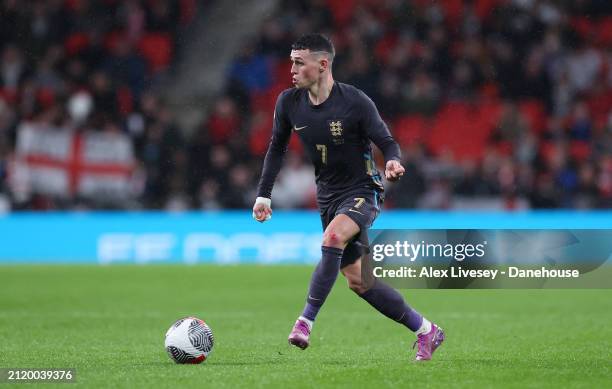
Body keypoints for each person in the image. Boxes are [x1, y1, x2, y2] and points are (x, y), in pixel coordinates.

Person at [252, 34, 444, 361]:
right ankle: (426, 330)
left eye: (299, 62)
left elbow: (387, 141)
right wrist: (264, 196)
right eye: (292, 61)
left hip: (362, 190)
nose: (292, 69)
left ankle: (305, 322)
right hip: (328, 196)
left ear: (322, 64)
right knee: (359, 281)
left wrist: (394, 161)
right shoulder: (288, 103)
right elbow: (276, 148)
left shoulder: (354, 101)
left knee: (333, 236)